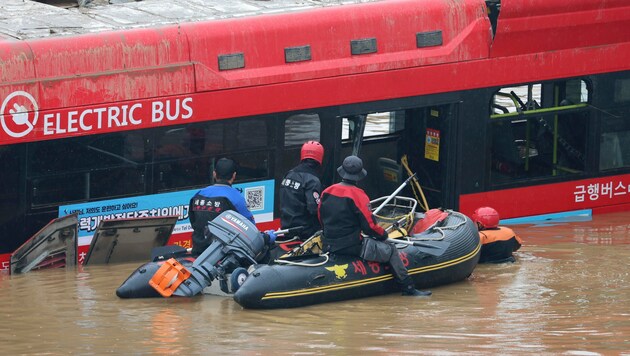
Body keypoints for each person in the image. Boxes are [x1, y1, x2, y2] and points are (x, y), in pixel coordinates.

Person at [318, 155, 431, 297]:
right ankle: (408, 287)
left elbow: (320, 218)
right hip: (351, 246)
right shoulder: (359, 195)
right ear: (359, 176)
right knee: (391, 250)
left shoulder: (326, 192)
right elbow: (369, 227)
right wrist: (383, 235)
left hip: (328, 243)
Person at [189, 158, 256, 256]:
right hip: (223, 257)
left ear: (214, 174)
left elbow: (194, 222)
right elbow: (251, 230)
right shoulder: (236, 198)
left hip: (198, 253)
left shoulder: (198, 195)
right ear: (234, 176)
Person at [279, 141, 324, 240]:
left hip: (286, 226)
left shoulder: (289, 174)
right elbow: (314, 209)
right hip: (305, 231)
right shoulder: (313, 180)